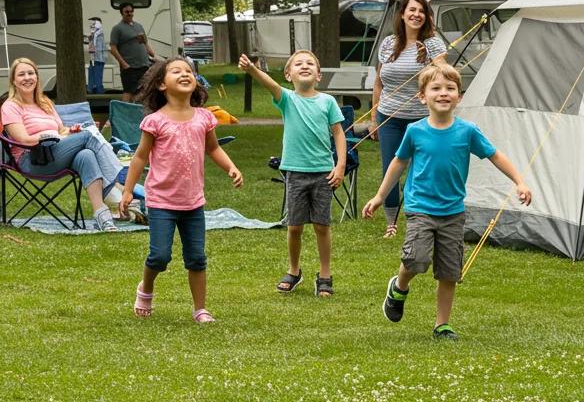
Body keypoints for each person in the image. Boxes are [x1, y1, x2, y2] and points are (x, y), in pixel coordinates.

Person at [363, 62, 532, 341]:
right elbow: (398, 162)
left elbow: (495, 155)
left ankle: (442, 325)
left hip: (453, 212)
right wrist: (380, 195)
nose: (444, 93)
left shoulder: (467, 131)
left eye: (450, 88)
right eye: (436, 88)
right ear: (422, 96)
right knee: (416, 259)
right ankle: (399, 287)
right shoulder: (415, 131)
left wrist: (520, 181)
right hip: (420, 209)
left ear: (459, 96)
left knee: (449, 271)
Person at [123, 57, 243, 323]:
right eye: (176, 71)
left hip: (193, 202)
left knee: (197, 258)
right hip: (161, 201)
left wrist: (231, 168)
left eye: (189, 71)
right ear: (162, 85)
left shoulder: (204, 117)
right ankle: (146, 289)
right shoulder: (155, 121)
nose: (185, 74)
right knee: (159, 256)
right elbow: (140, 157)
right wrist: (128, 191)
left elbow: (213, 148)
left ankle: (200, 308)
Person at [237, 50, 347, 297]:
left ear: (319, 75)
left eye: (310, 63)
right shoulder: (287, 99)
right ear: (289, 75)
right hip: (295, 173)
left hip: (323, 173)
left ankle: (325, 274)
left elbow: (339, 134)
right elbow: (271, 84)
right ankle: (294, 271)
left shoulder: (327, 101)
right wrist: (253, 70)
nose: (304, 66)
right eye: (298, 64)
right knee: (294, 227)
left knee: (322, 225)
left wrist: (340, 165)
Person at [1, 57, 135, 231]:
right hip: (32, 159)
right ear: (13, 80)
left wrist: (71, 132)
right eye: (21, 74)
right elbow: (23, 139)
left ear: (37, 77)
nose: (27, 77)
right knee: (88, 137)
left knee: (87, 155)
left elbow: (61, 130)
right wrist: (48, 136)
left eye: (31, 73)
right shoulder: (10, 106)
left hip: (56, 153)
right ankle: (119, 184)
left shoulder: (45, 103)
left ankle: (103, 216)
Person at [371, 0, 447, 238]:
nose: (416, 15)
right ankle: (391, 223)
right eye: (412, 10)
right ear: (402, 14)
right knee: (390, 168)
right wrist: (373, 118)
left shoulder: (433, 44)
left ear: (427, 17)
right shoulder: (388, 44)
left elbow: (444, 74)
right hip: (389, 117)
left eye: (422, 12)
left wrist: (435, 60)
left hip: (422, 118)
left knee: (421, 170)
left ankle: (418, 218)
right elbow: (378, 83)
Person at [109, 3, 155, 101]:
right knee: (129, 91)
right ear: (122, 13)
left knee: (144, 91)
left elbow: (145, 42)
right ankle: (124, 115)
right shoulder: (117, 28)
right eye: (126, 12)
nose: (129, 13)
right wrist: (124, 64)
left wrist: (151, 53)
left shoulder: (139, 26)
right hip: (130, 67)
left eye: (131, 11)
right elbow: (113, 48)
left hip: (144, 65)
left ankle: (140, 113)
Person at [87, 17, 106, 94]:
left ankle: (99, 95)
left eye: (94, 24)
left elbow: (95, 46)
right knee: (93, 78)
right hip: (95, 59)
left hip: (98, 59)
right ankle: (92, 91)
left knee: (97, 79)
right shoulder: (95, 34)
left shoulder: (99, 33)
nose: (92, 26)